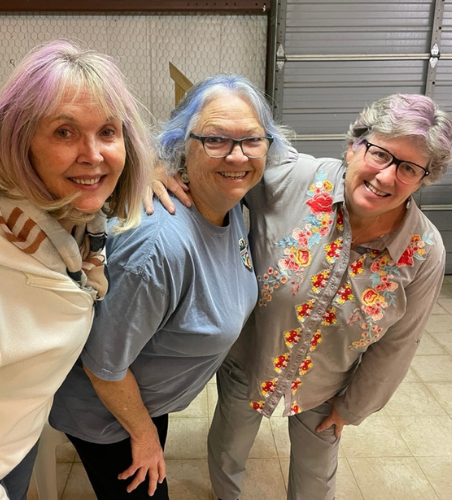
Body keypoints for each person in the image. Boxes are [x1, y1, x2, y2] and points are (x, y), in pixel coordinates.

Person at [157, 93, 452, 500]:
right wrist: (162, 165)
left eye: (408, 168)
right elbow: (222, 140)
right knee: (230, 446)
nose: (386, 176)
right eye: (380, 154)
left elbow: (399, 344)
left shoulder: (423, 250)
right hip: (250, 359)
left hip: (328, 384)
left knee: (316, 478)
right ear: (354, 146)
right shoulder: (295, 176)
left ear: (423, 178)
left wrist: (352, 408)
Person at [49, 74, 290, 500]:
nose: (236, 156)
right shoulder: (159, 251)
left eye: (251, 139)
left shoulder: (230, 202)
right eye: (215, 139)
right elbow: (103, 365)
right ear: (183, 145)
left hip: (144, 397)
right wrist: (143, 436)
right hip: (105, 415)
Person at [0, 40, 151, 500]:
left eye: (108, 132)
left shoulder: (64, 220)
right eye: (64, 132)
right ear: (18, 142)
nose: (94, 154)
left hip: (12, 437)